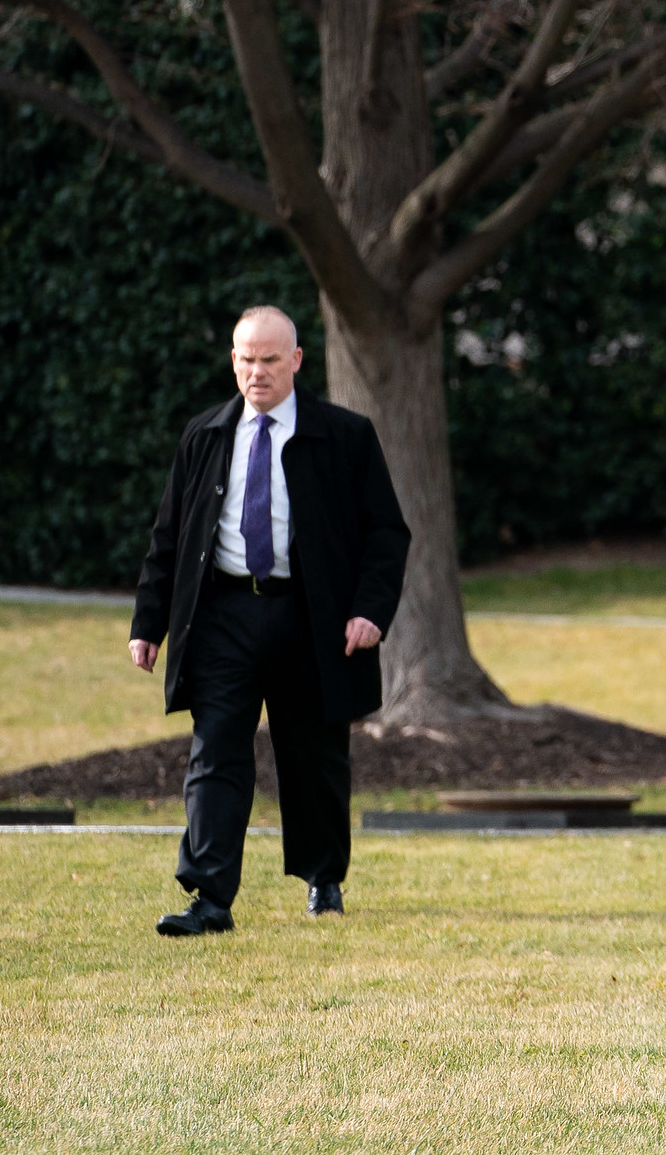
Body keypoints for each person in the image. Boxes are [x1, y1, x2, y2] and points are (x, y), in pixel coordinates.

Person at [129, 306, 409, 936]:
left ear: (296, 361)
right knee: (215, 750)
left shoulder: (345, 436)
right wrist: (148, 622)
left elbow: (386, 534)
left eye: (270, 360)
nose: (257, 372)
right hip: (223, 616)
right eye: (247, 360)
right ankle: (209, 898)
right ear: (233, 361)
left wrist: (369, 610)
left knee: (314, 757)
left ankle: (323, 879)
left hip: (311, 617)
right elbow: (169, 537)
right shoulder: (204, 435)